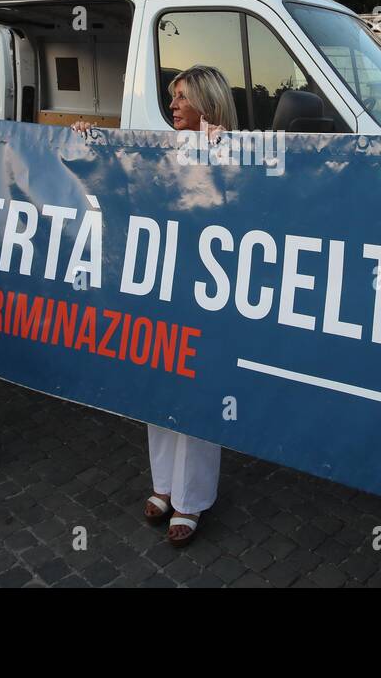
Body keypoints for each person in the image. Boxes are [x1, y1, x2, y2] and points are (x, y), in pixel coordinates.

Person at [74, 64, 234, 546]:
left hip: (208, 291)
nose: (173, 106)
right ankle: (164, 485)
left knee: (199, 398)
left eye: (181, 97)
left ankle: (191, 500)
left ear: (207, 100)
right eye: (172, 97)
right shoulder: (159, 149)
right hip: (160, 286)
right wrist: (90, 140)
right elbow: (118, 183)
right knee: (160, 389)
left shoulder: (242, 150)